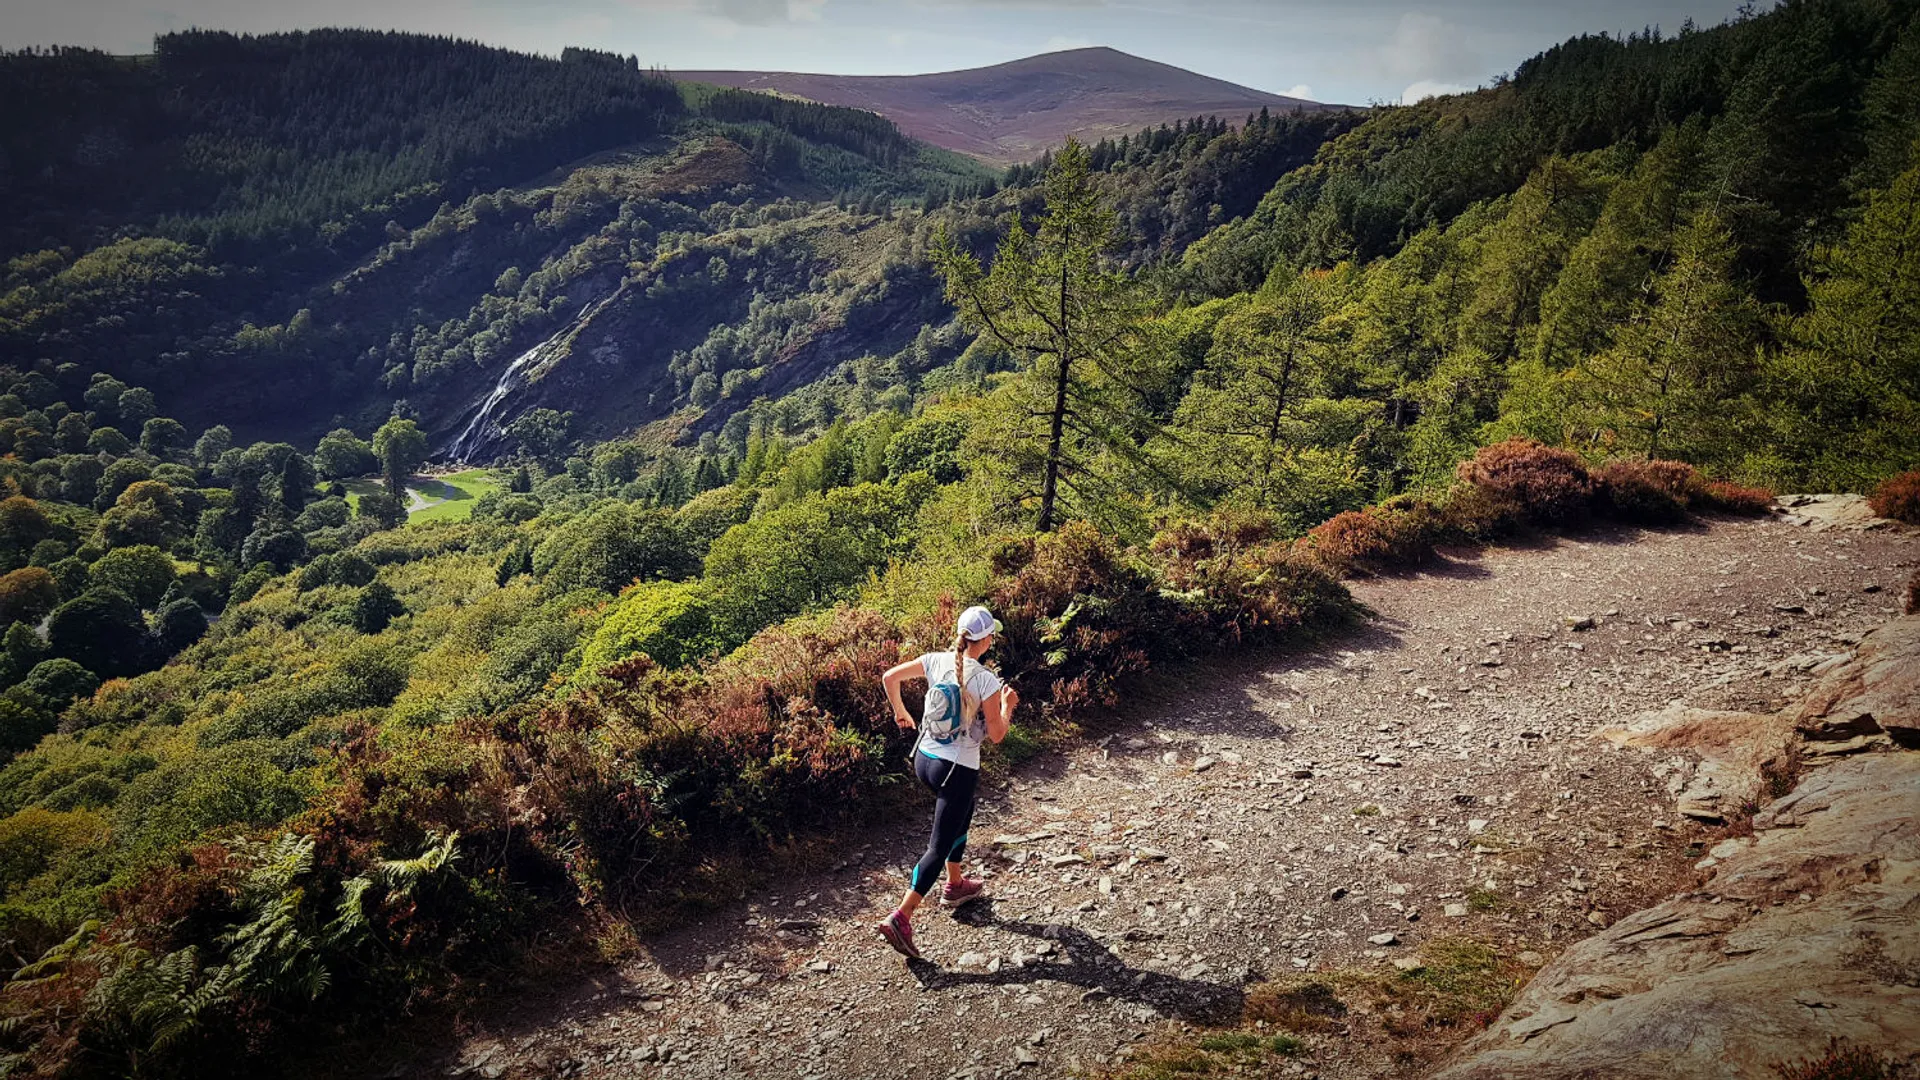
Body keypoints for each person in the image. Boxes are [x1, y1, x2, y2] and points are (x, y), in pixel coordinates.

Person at [873, 604, 1019, 960]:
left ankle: (955, 884)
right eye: (991, 634)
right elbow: (997, 734)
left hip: (924, 759)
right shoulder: (985, 679)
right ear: (985, 639)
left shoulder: (935, 660)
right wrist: (1008, 705)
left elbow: (889, 677)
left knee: (963, 812)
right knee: (938, 845)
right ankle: (901, 917)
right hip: (957, 769)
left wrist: (900, 712)